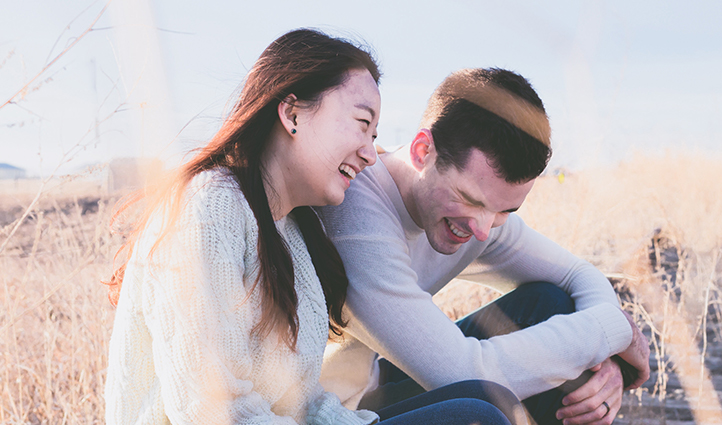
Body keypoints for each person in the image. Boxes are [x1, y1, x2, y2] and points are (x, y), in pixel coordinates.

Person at [103, 30, 524, 425]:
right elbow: (211, 411)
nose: (370, 154)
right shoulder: (210, 208)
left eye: (375, 134)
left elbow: (303, 402)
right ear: (292, 113)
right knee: (476, 416)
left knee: (489, 399)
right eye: (362, 124)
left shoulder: (289, 231)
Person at [315, 68, 651, 425]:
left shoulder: (478, 217)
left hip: (373, 386)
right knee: (481, 412)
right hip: (328, 411)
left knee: (552, 303)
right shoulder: (355, 211)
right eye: (469, 199)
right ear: (422, 151)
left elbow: (577, 273)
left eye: (505, 210)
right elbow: (462, 373)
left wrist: (604, 362)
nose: (482, 229)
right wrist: (611, 332)